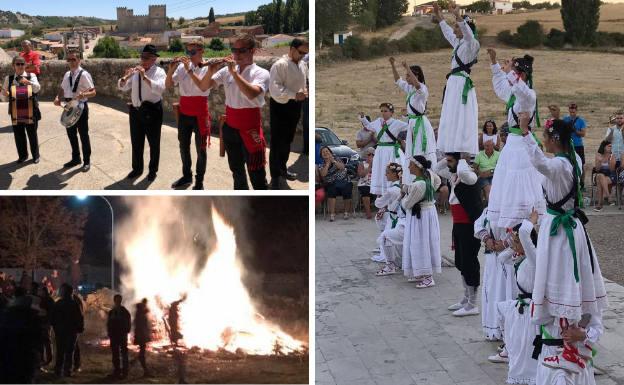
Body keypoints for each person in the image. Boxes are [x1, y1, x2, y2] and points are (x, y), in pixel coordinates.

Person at [517, 113, 607, 384]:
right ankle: (566, 343)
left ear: (554, 140)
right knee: (566, 282)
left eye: (545, 137)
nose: (543, 141)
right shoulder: (573, 160)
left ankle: (569, 348)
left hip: (560, 233)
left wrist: (524, 132)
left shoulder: (559, 164)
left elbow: (540, 163)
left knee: (562, 280)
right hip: (566, 228)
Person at [187, 34, 270, 190]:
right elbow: (204, 87)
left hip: (250, 129)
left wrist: (235, 74)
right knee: (237, 171)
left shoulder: (261, 73)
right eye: (234, 50)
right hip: (231, 127)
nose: (236, 54)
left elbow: (252, 93)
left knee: (257, 174)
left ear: (252, 51)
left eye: (241, 50)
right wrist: (210, 70)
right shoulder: (227, 71)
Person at [486, 48, 545, 232]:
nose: (515, 76)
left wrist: (510, 70)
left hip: (523, 144)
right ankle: (512, 229)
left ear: (525, 75)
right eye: (516, 73)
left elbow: (518, 85)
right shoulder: (514, 95)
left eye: (519, 73)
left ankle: (526, 221)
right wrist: (495, 63)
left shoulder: (529, 96)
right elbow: (501, 86)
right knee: (507, 181)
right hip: (512, 143)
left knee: (522, 180)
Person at [490, 211, 539, 385]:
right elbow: (502, 258)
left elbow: (526, 234)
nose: (515, 244)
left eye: (517, 241)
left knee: (527, 351)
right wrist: (513, 243)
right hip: (522, 310)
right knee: (519, 348)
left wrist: (531, 220)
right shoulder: (523, 258)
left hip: (532, 312)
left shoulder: (535, 258)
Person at [433, 153, 482, 316]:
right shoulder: (454, 175)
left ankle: (473, 304)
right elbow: (436, 168)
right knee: (460, 262)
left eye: (450, 161)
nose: (447, 164)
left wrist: (461, 156)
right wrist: (449, 152)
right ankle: (466, 297)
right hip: (458, 225)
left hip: (469, 226)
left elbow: (463, 173)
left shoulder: (469, 175)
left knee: (469, 262)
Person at [432, 1, 480, 155]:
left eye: (457, 26)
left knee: (460, 115)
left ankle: (461, 148)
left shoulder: (472, 44)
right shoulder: (459, 44)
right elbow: (447, 32)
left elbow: (468, 34)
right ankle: (450, 147)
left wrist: (457, 16)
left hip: (461, 84)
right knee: (451, 114)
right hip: (453, 83)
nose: (455, 28)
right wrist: (440, 17)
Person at [165, 40, 212, 190]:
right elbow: (168, 85)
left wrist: (189, 70)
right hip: (184, 112)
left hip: (200, 114)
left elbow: (203, 87)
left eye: (193, 52)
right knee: (183, 146)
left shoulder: (209, 68)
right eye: (188, 52)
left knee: (201, 149)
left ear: (201, 51)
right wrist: (171, 70)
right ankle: (186, 176)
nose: (189, 56)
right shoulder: (181, 68)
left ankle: (199, 181)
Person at [118, 44, 166, 182]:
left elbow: (160, 89)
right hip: (136, 111)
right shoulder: (136, 72)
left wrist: (144, 77)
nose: (142, 60)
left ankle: (152, 171)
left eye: (146, 57)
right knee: (136, 142)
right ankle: (137, 168)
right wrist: (126, 77)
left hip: (152, 111)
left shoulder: (159, 72)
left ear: (154, 59)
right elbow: (122, 87)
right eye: (142, 57)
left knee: (154, 143)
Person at [268, 38, 309, 189]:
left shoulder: (303, 64)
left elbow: (303, 83)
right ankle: (275, 177)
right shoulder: (280, 65)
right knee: (277, 142)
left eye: (306, 53)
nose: (303, 56)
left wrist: (304, 92)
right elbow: (274, 89)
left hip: (295, 105)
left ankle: (283, 169)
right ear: (292, 49)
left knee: (287, 140)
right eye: (301, 52)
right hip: (280, 105)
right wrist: (294, 95)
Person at [389, 57, 437, 178]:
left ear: (416, 76)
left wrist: (407, 67)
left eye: (409, 75)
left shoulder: (422, 89)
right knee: (412, 150)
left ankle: (426, 174)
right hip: (412, 123)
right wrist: (393, 65)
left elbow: (417, 84)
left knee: (421, 149)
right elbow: (397, 80)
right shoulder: (410, 89)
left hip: (420, 124)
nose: (407, 77)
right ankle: (412, 176)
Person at [401, 156, 442, 288]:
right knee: (421, 242)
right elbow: (438, 181)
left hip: (422, 217)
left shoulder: (418, 185)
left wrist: (405, 192)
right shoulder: (429, 174)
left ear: (417, 167)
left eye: (410, 165)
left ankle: (428, 276)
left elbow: (407, 204)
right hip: (428, 212)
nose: (408, 167)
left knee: (421, 243)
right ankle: (420, 272)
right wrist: (428, 194)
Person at [54, 49, 96, 172]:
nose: (71, 62)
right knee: (71, 135)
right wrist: (58, 98)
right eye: (69, 59)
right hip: (68, 106)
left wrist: (84, 95)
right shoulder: (67, 74)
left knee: (83, 135)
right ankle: (76, 158)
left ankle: (87, 161)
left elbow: (93, 92)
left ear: (79, 60)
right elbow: (62, 89)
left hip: (81, 107)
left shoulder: (84, 74)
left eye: (74, 59)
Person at [358, 104, 408, 195]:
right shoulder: (378, 122)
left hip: (391, 151)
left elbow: (408, 125)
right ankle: (381, 196)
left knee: (393, 171)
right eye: (382, 111)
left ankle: (394, 193)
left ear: (391, 113)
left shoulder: (396, 123)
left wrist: (405, 116)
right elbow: (369, 126)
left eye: (385, 111)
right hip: (380, 151)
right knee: (381, 171)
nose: (383, 113)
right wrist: (363, 118)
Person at [1, 56, 41, 164]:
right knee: (19, 135)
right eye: (17, 64)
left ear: (25, 65)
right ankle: (23, 156)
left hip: (30, 109)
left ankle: (35, 155)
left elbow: (37, 88)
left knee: (32, 134)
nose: (20, 66)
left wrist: (28, 82)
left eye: (22, 64)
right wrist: (4, 94)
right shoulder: (8, 79)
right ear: (13, 65)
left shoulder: (31, 75)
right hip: (15, 110)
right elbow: (5, 98)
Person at [0, 287, 42, 384]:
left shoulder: (6, 314)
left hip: (8, 355)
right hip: (26, 355)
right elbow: (38, 336)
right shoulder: (32, 314)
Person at [374, 163, 405, 275]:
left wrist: (378, 197)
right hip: (400, 216)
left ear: (394, 174)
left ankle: (390, 265)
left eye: (387, 172)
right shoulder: (402, 186)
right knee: (398, 244)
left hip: (394, 218)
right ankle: (400, 262)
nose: (385, 175)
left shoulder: (392, 190)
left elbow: (378, 203)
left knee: (386, 238)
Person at [51, 283, 83, 377]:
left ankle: (58, 370)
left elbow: (52, 318)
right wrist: (79, 328)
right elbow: (79, 318)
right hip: (71, 331)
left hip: (61, 331)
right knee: (69, 351)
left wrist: (55, 327)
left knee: (60, 351)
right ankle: (67, 370)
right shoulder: (74, 304)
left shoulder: (58, 304)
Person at [318, 146, 352, 221]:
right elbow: (323, 174)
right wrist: (327, 164)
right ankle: (332, 214)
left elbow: (342, 167)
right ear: (321, 155)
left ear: (330, 153)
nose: (325, 153)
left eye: (327, 151)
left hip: (344, 180)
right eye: (323, 152)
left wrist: (333, 161)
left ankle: (346, 213)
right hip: (331, 183)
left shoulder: (337, 159)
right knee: (331, 191)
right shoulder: (321, 165)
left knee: (347, 190)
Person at [563, 103, 588, 189]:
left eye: (574, 110)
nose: (572, 111)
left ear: (576, 110)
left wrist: (575, 130)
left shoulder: (581, 121)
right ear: (569, 110)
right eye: (571, 109)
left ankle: (582, 183)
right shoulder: (565, 119)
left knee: (582, 164)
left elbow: (583, 134)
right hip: (568, 145)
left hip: (578, 145)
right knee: (568, 163)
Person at [107, 294, 131, 379]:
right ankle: (116, 371)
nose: (118, 301)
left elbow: (128, 324)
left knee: (124, 353)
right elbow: (109, 324)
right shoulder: (111, 312)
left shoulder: (124, 312)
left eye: (119, 300)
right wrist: (109, 333)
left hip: (121, 335)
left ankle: (125, 372)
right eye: (116, 300)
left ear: (121, 301)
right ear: (114, 301)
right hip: (114, 336)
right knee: (115, 354)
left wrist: (126, 331)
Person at [593, 140, 616, 211]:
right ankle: (609, 197)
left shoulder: (612, 156)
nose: (610, 148)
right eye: (609, 146)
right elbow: (597, 169)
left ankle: (600, 204)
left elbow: (612, 170)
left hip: (610, 176)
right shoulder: (598, 155)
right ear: (604, 147)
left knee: (600, 178)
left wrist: (609, 161)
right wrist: (600, 161)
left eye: (611, 146)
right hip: (600, 175)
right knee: (600, 176)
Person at [134, 298, 151, 377]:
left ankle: (136, 362)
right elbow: (141, 326)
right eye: (145, 304)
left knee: (142, 352)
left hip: (141, 335)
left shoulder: (139, 312)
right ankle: (145, 371)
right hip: (141, 336)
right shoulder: (140, 313)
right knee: (142, 353)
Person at [38, 285, 54, 368]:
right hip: (41, 323)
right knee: (42, 342)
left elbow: (51, 313)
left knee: (47, 341)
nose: (40, 292)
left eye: (41, 291)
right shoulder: (41, 300)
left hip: (45, 324)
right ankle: (43, 359)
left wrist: (48, 323)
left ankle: (48, 359)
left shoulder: (49, 300)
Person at [357, 148, 375, 219]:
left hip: (374, 183)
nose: (371, 156)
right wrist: (370, 166)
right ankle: (368, 212)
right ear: (366, 155)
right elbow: (361, 175)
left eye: (373, 154)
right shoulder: (362, 164)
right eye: (369, 154)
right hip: (364, 183)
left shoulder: (378, 164)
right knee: (365, 191)